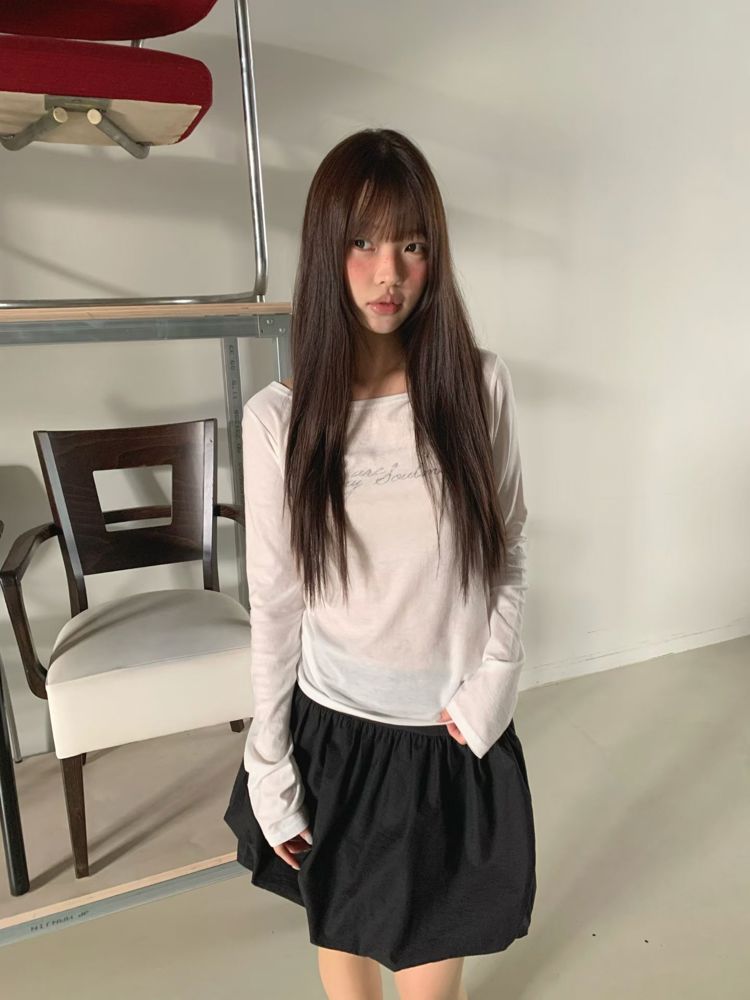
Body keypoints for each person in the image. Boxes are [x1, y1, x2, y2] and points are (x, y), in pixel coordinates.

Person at [224, 127, 536, 1000]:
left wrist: (497, 679)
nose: (387, 272)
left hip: (446, 734)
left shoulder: (478, 386)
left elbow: (508, 546)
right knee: (346, 937)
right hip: (334, 733)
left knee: (434, 964)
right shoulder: (278, 421)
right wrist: (270, 762)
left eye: (411, 245)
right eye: (362, 242)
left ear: (435, 256)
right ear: (327, 250)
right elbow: (276, 603)